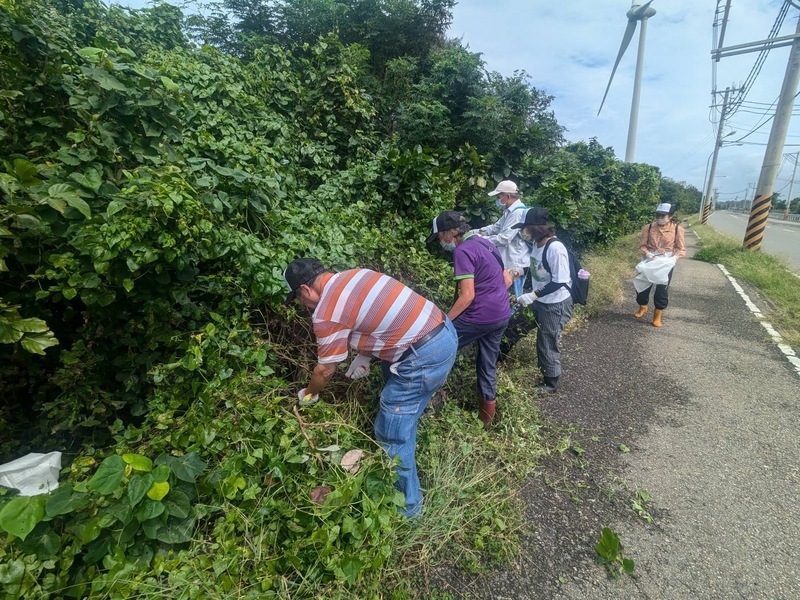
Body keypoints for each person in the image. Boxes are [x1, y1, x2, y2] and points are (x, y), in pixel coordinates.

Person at [284, 258, 457, 517]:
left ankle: (408, 513)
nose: (305, 306)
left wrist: (309, 394)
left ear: (306, 291)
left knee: (391, 434)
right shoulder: (357, 275)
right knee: (403, 409)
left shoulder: (326, 311)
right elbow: (379, 319)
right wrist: (365, 355)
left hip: (422, 357)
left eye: (300, 300)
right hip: (444, 333)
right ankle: (407, 438)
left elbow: (325, 369)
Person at [428, 210, 511, 426]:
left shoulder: (463, 251)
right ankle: (486, 420)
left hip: (479, 316)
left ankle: (426, 397)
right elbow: (506, 280)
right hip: (501, 314)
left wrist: (444, 322)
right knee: (487, 364)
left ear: (449, 233)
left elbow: (467, 296)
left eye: (439, 237)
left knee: (437, 348)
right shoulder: (485, 243)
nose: (440, 242)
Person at [513, 208, 573, 393]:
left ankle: (550, 382)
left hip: (555, 303)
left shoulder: (555, 248)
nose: (524, 232)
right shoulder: (537, 245)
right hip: (540, 299)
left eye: (526, 228)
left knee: (546, 340)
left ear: (536, 228)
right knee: (514, 326)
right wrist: (520, 271)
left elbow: (560, 281)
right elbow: (537, 268)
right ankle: (498, 361)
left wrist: (532, 295)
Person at [470, 180, 529, 296]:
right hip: (508, 261)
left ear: (507, 196)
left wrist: (480, 239)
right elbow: (494, 228)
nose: (498, 200)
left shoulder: (518, 213)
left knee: (511, 298)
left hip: (515, 264)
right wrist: (473, 232)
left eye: (499, 196)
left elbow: (504, 239)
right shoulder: (509, 212)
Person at [634, 203, 686, 327]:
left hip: (666, 262)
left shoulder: (677, 229)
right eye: (658, 215)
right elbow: (642, 245)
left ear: (671, 216)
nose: (660, 217)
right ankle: (642, 306)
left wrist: (674, 258)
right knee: (642, 285)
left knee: (662, 289)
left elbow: (680, 248)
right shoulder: (649, 227)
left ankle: (658, 315)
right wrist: (648, 254)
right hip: (650, 259)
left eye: (663, 215)